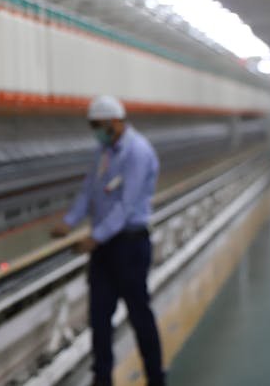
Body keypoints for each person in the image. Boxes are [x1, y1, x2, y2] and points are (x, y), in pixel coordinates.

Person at [50, 95, 165, 386]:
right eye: (93, 126)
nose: (96, 131)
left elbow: (126, 205)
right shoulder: (103, 152)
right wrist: (69, 221)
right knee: (99, 317)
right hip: (105, 248)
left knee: (139, 315)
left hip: (130, 245)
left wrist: (95, 237)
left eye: (98, 125)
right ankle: (102, 379)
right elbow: (88, 191)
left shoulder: (137, 152)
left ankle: (155, 377)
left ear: (115, 121)